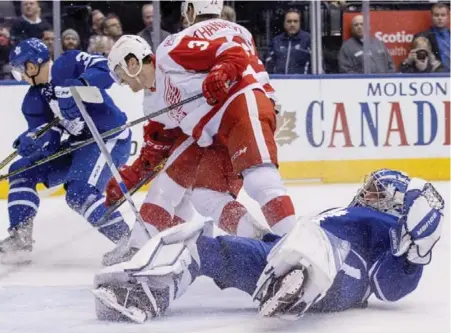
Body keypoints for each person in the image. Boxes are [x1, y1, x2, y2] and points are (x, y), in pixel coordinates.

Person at [92, 169, 445, 323]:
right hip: (286, 253)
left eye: (377, 192)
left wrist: (415, 253)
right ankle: (146, 296)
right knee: (203, 245)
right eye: (370, 187)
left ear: (394, 206)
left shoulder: (387, 230)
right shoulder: (344, 212)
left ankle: (298, 280)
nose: (367, 194)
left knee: (314, 239)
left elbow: (388, 286)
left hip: (341, 278)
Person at [102, 0, 295, 264]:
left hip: (238, 106)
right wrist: (129, 180)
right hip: (213, 137)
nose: (128, 86)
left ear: (132, 62)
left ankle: (297, 249)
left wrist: (221, 72)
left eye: (124, 77)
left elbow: (234, 53)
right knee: (206, 196)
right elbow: (155, 151)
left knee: (259, 180)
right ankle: (264, 245)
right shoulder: (152, 101)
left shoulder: (170, 51)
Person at [0, 38, 132, 261]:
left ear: (31, 66)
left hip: (108, 137)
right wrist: (35, 140)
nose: (20, 76)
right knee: (20, 169)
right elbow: (50, 140)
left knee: (79, 193)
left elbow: (106, 68)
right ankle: (20, 238)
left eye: (19, 70)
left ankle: (130, 243)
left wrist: (78, 85)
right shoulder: (33, 100)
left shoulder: (67, 63)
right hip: (79, 144)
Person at [265, 8, 311, 74]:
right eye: (289, 21)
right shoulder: (276, 41)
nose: (292, 24)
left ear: (300, 23)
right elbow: (269, 65)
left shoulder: (308, 40)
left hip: (303, 82)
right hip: (279, 81)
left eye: (295, 21)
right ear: (284, 23)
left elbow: (316, 65)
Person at [414, 3, 450, 72]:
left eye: (443, 15)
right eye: (436, 15)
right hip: (435, 76)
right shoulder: (422, 37)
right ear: (432, 17)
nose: (440, 18)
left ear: (448, 17)